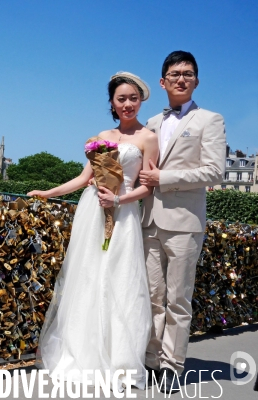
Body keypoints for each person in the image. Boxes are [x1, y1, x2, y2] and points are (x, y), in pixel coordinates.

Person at [28, 72, 159, 391]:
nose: (127, 104)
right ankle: (84, 353)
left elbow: (148, 187)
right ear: (112, 104)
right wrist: (49, 192)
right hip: (93, 212)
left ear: (140, 100)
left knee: (119, 279)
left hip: (123, 212)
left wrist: (119, 198)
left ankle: (119, 360)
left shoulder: (148, 138)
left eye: (133, 98)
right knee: (87, 277)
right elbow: (84, 177)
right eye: (121, 99)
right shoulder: (102, 135)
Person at [139, 51, 226, 393]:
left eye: (188, 74)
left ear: (197, 81)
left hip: (185, 223)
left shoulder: (210, 120)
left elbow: (214, 171)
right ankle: (150, 361)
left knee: (178, 299)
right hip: (148, 220)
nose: (181, 78)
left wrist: (165, 177)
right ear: (162, 82)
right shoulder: (152, 123)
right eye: (175, 73)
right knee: (151, 296)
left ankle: (173, 367)